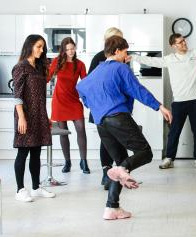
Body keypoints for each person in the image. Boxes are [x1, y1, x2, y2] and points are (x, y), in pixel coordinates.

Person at [76, 36, 172, 220]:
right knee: (145, 152)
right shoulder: (120, 68)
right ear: (117, 51)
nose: (126, 55)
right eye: (125, 51)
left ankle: (111, 207)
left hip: (101, 122)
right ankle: (121, 170)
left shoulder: (96, 71)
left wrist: (96, 105)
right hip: (117, 116)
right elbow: (137, 89)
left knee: (120, 160)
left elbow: (82, 89)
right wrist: (159, 106)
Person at [130, 33, 196, 169]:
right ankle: (169, 158)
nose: (184, 43)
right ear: (173, 46)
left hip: (195, 101)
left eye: (184, 41)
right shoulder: (169, 59)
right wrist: (133, 56)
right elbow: (152, 61)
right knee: (174, 132)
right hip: (179, 102)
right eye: (180, 42)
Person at [13, 34, 56, 202]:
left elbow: (40, 97)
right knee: (23, 152)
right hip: (25, 116)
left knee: (36, 153)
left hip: (39, 115)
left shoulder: (38, 67)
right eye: (38, 46)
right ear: (30, 46)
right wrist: (22, 118)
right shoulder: (20, 67)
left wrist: (45, 117)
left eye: (43, 47)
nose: (42, 50)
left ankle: (36, 187)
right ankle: (20, 190)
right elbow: (17, 96)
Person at [47, 37, 90, 174]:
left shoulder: (80, 64)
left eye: (72, 48)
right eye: (68, 49)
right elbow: (46, 78)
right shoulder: (57, 62)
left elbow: (85, 83)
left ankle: (84, 161)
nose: (70, 51)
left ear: (75, 48)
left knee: (81, 129)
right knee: (63, 133)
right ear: (63, 51)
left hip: (73, 101)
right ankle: (68, 162)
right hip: (59, 101)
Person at [88, 27, 123, 190]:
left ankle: (120, 172)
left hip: (118, 107)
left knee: (119, 139)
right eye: (116, 39)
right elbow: (89, 83)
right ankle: (106, 172)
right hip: (101, 108)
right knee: (107, 140)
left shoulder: (121, 58)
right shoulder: (98, 58)